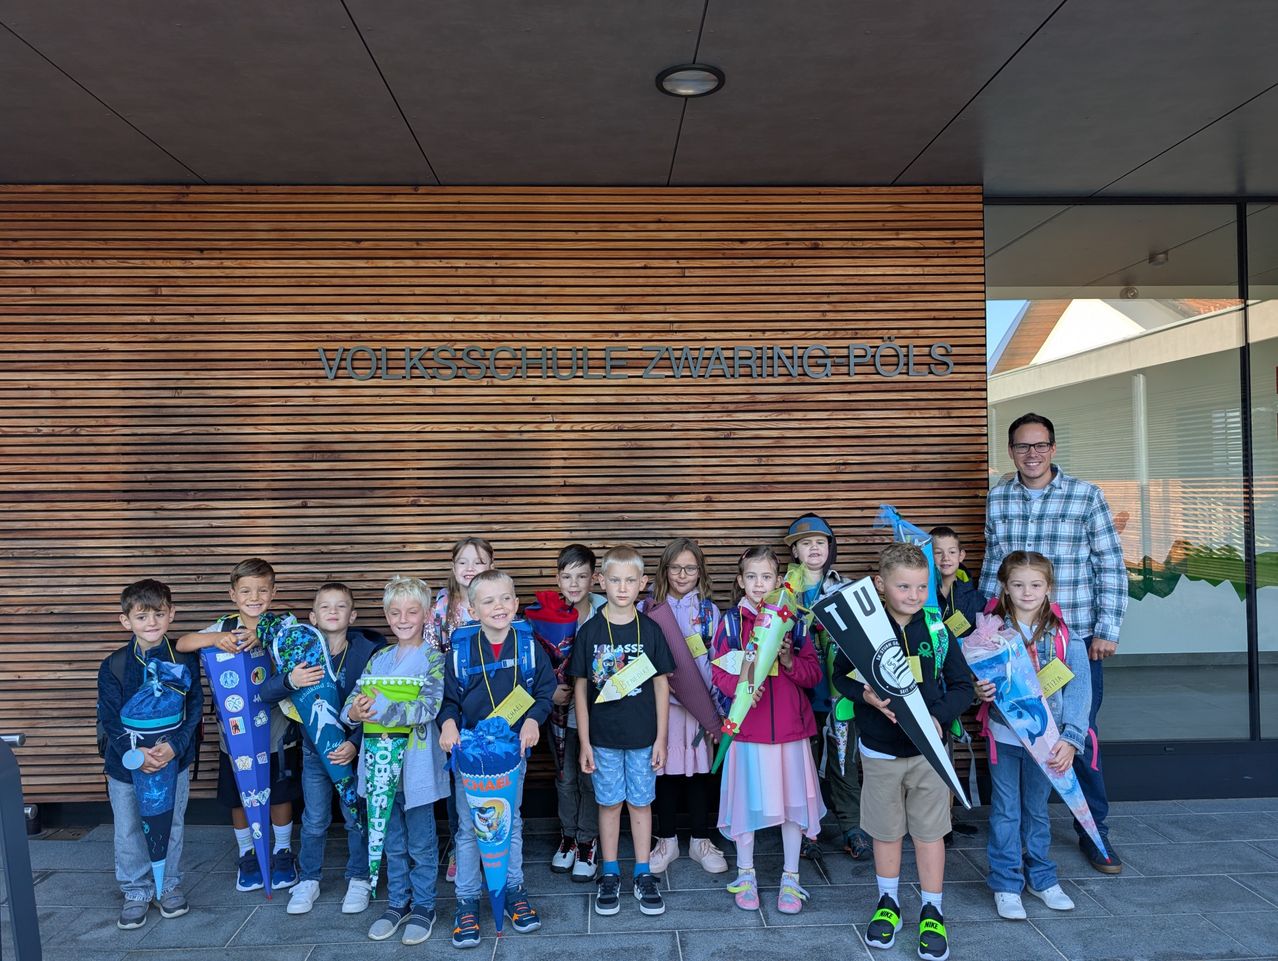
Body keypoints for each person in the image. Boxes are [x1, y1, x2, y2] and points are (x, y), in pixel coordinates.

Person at [981, 412, 1127, 875]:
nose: (1032, 454)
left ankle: (1093, 829)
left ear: (1053, 448)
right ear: (1011, 451)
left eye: (1040, 445)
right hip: (1012, 644)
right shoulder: (999, 497)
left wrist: (1108, 628)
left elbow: (1110, 565)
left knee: (1074, 733)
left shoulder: (1086, 496)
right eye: (1023, 447)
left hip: (1072, 641)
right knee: (1017, 734)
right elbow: (991, 565)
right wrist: (983, 634)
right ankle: (1020, 830)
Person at [833, 543, 972, 961]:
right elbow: (840, 678)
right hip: (878, 751)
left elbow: (963, 686)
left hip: (928, 754)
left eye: (921, 587)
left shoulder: (935, 628)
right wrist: (866, 697)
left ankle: (933, 909)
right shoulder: (863, 633)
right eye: (903, 586)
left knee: (930, 834)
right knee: (886, 830)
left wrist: (937, 717)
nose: (913, 595)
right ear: (880, 584)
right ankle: (888, 902)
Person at [438, 569, 555, 948]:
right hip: (470, 757)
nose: (498, 607)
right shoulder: (459, 650)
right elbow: (447, 701)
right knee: (470, 830)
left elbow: (545, 690)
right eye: (487, 601)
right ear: (472, 609)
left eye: (505, 598)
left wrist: (534, 721)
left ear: (516, 602)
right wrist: (448, 725)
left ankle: (513, 890)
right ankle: (468, 901)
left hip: (511, 755)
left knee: (510, 823)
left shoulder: (527, 644)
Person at [175, 557, 302, 892]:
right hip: (234, 738)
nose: (254, 596)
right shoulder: (223, 625)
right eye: (246, 590)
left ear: (273, 592)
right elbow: (182, 643)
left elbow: (301, 647)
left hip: (277, 731)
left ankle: (283, 850)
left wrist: (266, 638)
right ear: (233, 594)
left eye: (262, 590)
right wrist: (214, 640)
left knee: (278, 791)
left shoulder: (283, 624)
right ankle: (247, 854)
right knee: (237, 796)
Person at [711, 546, 825, 915]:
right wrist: (744, 686)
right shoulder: (730, 623)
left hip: (791, 732)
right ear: (741, 581)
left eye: (767, 577)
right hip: (748, 731)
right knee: (747, 803)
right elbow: (719, 672)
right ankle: (746, 873)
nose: (759, 585)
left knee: (793, 806)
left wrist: (789, 660)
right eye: (752, 577)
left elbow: (814, 675)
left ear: (779, 581)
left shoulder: (796, 621)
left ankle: (791, 877)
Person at [977, 552, 1090, 920]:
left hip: (1047, 742)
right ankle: (1007, 883)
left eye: (1036, 585)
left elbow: (1079, 689)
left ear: (1049, 588)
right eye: (1018, 584)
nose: (1027, 592)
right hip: (1005, 738)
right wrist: (980, 691)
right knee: (1006, 812)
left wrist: (1071, 738)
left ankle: (1041, 879)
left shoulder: (1063, 634)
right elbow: (974, 676)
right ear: (1005, 589)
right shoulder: (989, 631)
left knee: (1036, 811)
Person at [568, 546, 676, 918]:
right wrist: (584, 741)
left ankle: (643, 872)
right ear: (602, 581)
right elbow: (580, 688)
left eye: (631, 580)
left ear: (643, 584)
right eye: (615, 580)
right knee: (610, 803)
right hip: (603, 739)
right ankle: (610, 871)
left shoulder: (651, 629)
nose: (622, 587)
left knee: (641, 803)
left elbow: (662, 684)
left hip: (644, 737)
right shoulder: (591, 630)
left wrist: (662, 737)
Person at [260, 582, 379, 916]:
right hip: (314, 753)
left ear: (352, 615)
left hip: (357, 752)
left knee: (357, 817)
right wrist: (290, 681)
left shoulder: (366, 653)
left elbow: (377, 705)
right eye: (324, 607)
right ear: (312, 616)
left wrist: (355, 745)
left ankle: (359, 878)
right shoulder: (298, 652)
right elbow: (265, 693)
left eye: (341, 606)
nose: (332, 612)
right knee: (314, 819)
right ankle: (309, 879)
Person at [343, 575, 449, 945]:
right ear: (387, 616)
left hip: (415, 767)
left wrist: (380, 708)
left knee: (421, 841)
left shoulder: (434, 660)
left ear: (424, 615)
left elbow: (427, 708)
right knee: (392, 840)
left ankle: (424, 905)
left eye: (412, 611)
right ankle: (397, 902)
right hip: (377, 768)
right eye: (395, 612)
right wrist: (356, 713)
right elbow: (349, 708)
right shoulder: (379, 658)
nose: (403, 619)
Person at [98, 579, 203, 930]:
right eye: (142, 616)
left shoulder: (185, 659)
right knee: (128, 827)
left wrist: (175, 746)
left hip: (173, 758)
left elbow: (194, 710)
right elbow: (110, 718)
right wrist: (136, 752)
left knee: (171, 824)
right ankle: (137, 890)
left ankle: (168, 885)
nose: (152, 623)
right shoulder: (113, 665)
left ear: (171, 614)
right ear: (125, 620)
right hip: (126, 765)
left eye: (159, 614)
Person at [639, 537, 728, 876]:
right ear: (665, 570)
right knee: (665, 772)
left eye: (690, 568)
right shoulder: (648, 609)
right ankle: (667, 840)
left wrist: (716, 710)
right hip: (663, 708)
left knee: (699, 773)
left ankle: (701, 841)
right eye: (675, 568)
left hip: (700, 707)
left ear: (700, 572)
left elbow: (718, 662)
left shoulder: (708, 610)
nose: (682, 575)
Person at [784, 513, 868, 860]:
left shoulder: (847, 587)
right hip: (800, 690)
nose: (814, 548)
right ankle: (805, 830)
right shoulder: (784, 590)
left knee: (844, 759)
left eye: (820, 542)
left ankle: (852, 827)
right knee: (803, 763)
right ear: (795, 552)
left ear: (830, 547)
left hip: (839, 690)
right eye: (806, 543)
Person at [433, 536, 494, 883]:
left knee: (493, 775)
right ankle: (460, 846)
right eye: (463, 562)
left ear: (491, 565)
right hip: (454, 704)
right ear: (453, 568)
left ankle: (492, 844)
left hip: (492, 705)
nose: (470, 569)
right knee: (459, 779)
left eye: (479, 562)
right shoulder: (441, 607)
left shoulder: (495, 598)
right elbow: (432, 655)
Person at [547, 543, 606, 882]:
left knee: (590, 779)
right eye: (567, 576)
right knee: (566, 778)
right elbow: (536, 664)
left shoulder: (606, 610)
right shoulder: (547, 613)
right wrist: (549, 691)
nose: (574, 584)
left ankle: (587, 840)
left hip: (597, 712)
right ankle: (568, 836)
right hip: (561, 712)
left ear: (594, 578)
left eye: (582, 576)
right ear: (558, 578)